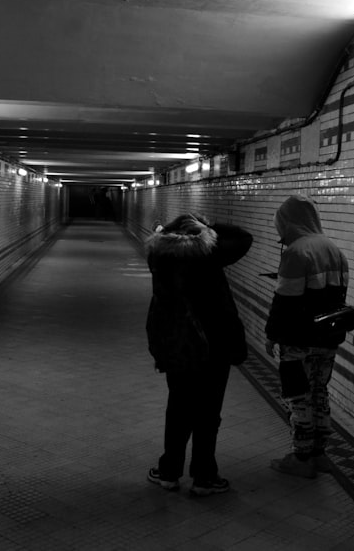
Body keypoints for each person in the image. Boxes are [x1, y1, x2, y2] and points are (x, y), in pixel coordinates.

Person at [145, 212, 253, 496]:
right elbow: (244, 238)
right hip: (215, 345)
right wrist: (210, 228)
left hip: (178, 343)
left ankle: (169, 472)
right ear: (199, 232)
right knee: (208, 411)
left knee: (178, 407)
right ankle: (204, 476)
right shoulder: (208, 253)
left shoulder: (158, 256)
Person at [264, 194, 350, 479]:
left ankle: (300, 458)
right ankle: (319, 454)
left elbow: (285, 302)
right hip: (328, 338)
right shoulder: (334, 249)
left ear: (289, 222)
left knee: (298, 396)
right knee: (319, 392)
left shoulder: (297, 252)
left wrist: (272, 334)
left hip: (298, 340)